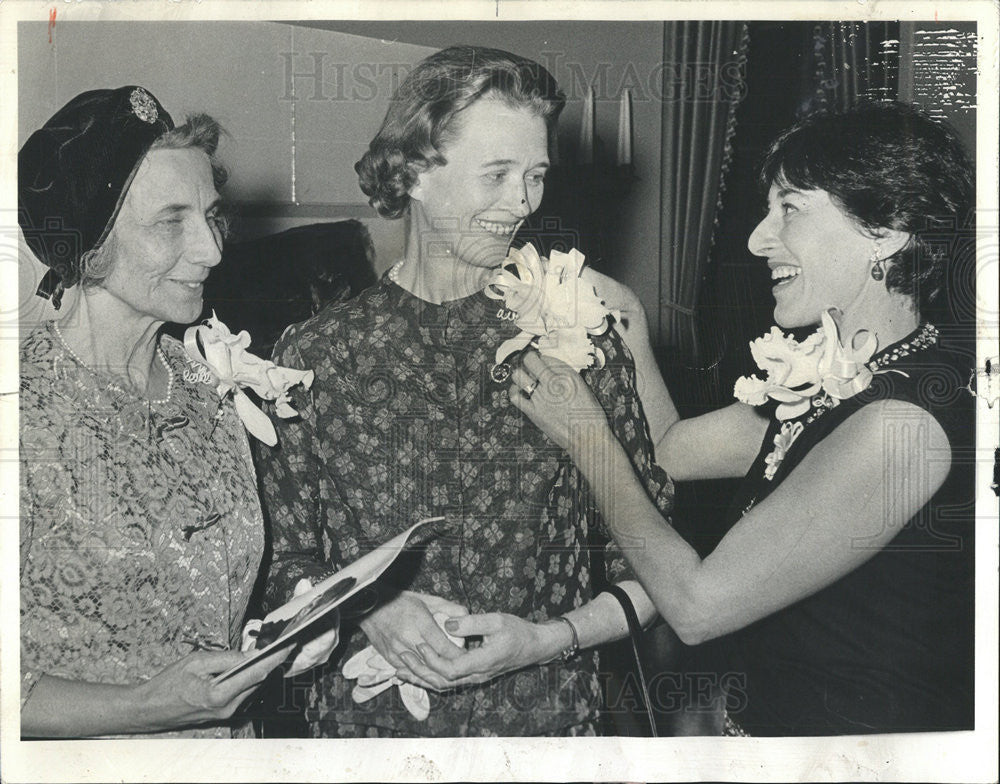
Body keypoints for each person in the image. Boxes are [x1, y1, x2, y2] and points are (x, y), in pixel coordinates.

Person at [512, 102, 976, 735]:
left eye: (790, 208)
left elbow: (698, 606)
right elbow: (671, 450)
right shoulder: (847, 368)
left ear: (887, 229)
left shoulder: (902, 425)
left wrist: (588, 439)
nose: (758, 238)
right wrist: (627, 323)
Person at [256, 46, 672, 737]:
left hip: (546, 731)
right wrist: (366, 605)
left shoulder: (575, 338)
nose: (523, 202)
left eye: (536, 175)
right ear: (415, 171)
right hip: (371, 741)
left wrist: (550, 639)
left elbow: (658, 567)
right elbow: (279, 558)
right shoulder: (316, 357)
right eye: (498, 174)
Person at [17, 87, 327, 738]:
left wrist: (275, 644)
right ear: (90, 242)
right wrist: (151, 705)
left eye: (211, 216)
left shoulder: (200, 378)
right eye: (171, 221)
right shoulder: (22, 411)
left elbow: (199, 604)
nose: (212, 250)